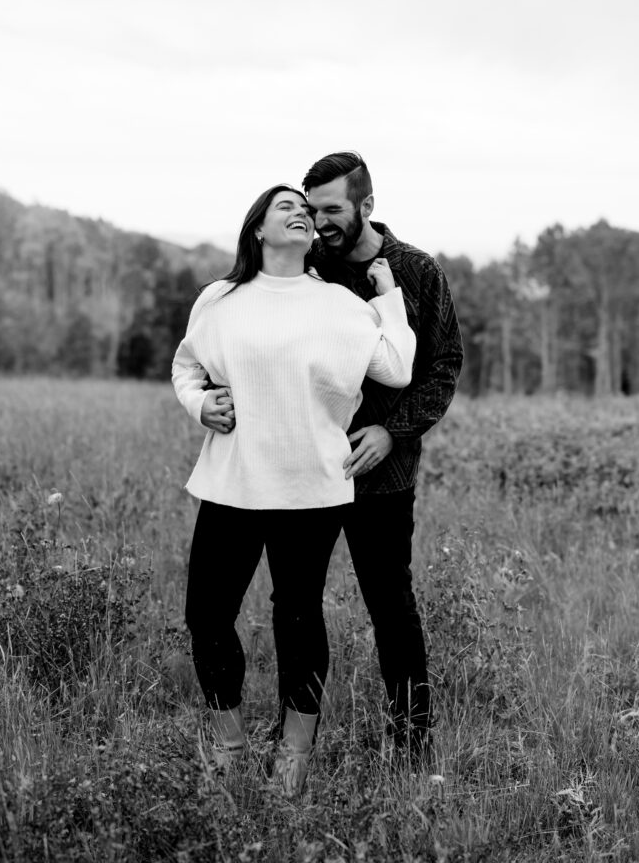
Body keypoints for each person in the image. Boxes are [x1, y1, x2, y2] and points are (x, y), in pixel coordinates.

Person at [172, 184, 415, 796]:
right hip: (233, 480)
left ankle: (294, 754)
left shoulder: (338, 303)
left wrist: (389, 301)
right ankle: (228, 743)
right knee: (206, 615)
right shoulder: (220, 298)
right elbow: (185, 366)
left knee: (298, 617)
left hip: (311, 488)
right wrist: (201, 403)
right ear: (257, 228)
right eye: (287, 206)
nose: (301, 214)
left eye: (306, 210)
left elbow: (397, 368)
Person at [302, 151, 464, 761]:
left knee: (391, 606)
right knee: (296, 604)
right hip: (308, 468)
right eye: (312, 210)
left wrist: (392, 431)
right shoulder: (304, 270)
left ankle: (411, 740)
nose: (320, 223)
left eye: (333, 210)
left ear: (367, 205)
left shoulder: (417, 271)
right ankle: (297, 737)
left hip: (386, 474)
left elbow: (443, 364)